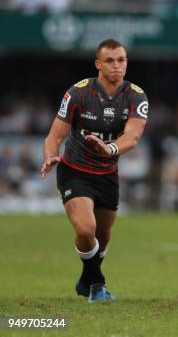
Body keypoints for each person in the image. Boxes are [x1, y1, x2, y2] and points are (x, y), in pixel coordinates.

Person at [40, 39, 149, 302]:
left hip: (107, 175)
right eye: (110, 60)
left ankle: (86, 279)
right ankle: (97, 284)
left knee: (102, 236)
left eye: (121, 60)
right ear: (98, 64)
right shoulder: (78, 93)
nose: (116, 66)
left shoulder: (135, 96)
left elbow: (132, 137)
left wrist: (110, 149)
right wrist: (50, 156)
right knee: (86, 229)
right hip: (75, 171)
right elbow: (54, 136)